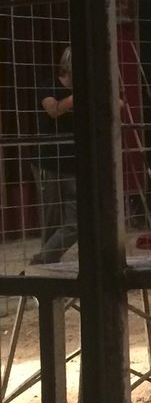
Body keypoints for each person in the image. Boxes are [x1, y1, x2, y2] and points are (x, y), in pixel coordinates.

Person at [30, 45, 77, 265]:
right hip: (48, 161)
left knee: (76, 222)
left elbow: (118, 105)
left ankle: (42, 263)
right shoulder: (49, 85)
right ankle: (48, 278)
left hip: (74, 164)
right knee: (52, 219)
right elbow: (53, 110)